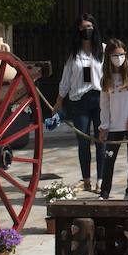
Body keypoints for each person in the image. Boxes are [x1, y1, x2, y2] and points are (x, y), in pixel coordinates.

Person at [52, 14, 104, 192]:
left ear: (94, 28)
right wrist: (59, 101)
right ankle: (86, 179)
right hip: (79, 101)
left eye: (89, 26)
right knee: (83, 141)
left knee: (101, 140)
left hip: (100, 99)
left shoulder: (103, 50)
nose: (86, 30)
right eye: (83, 27)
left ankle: (101, 179)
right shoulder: (74, 55)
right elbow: (66, 79)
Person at [98, 39, 128, 200]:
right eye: (114, 55)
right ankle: (104, 192)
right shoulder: (106, 78)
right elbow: (104, 104)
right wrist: (104, 126)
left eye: (121, 54)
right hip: (114, 126)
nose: (118, 58)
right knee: (109, 159)